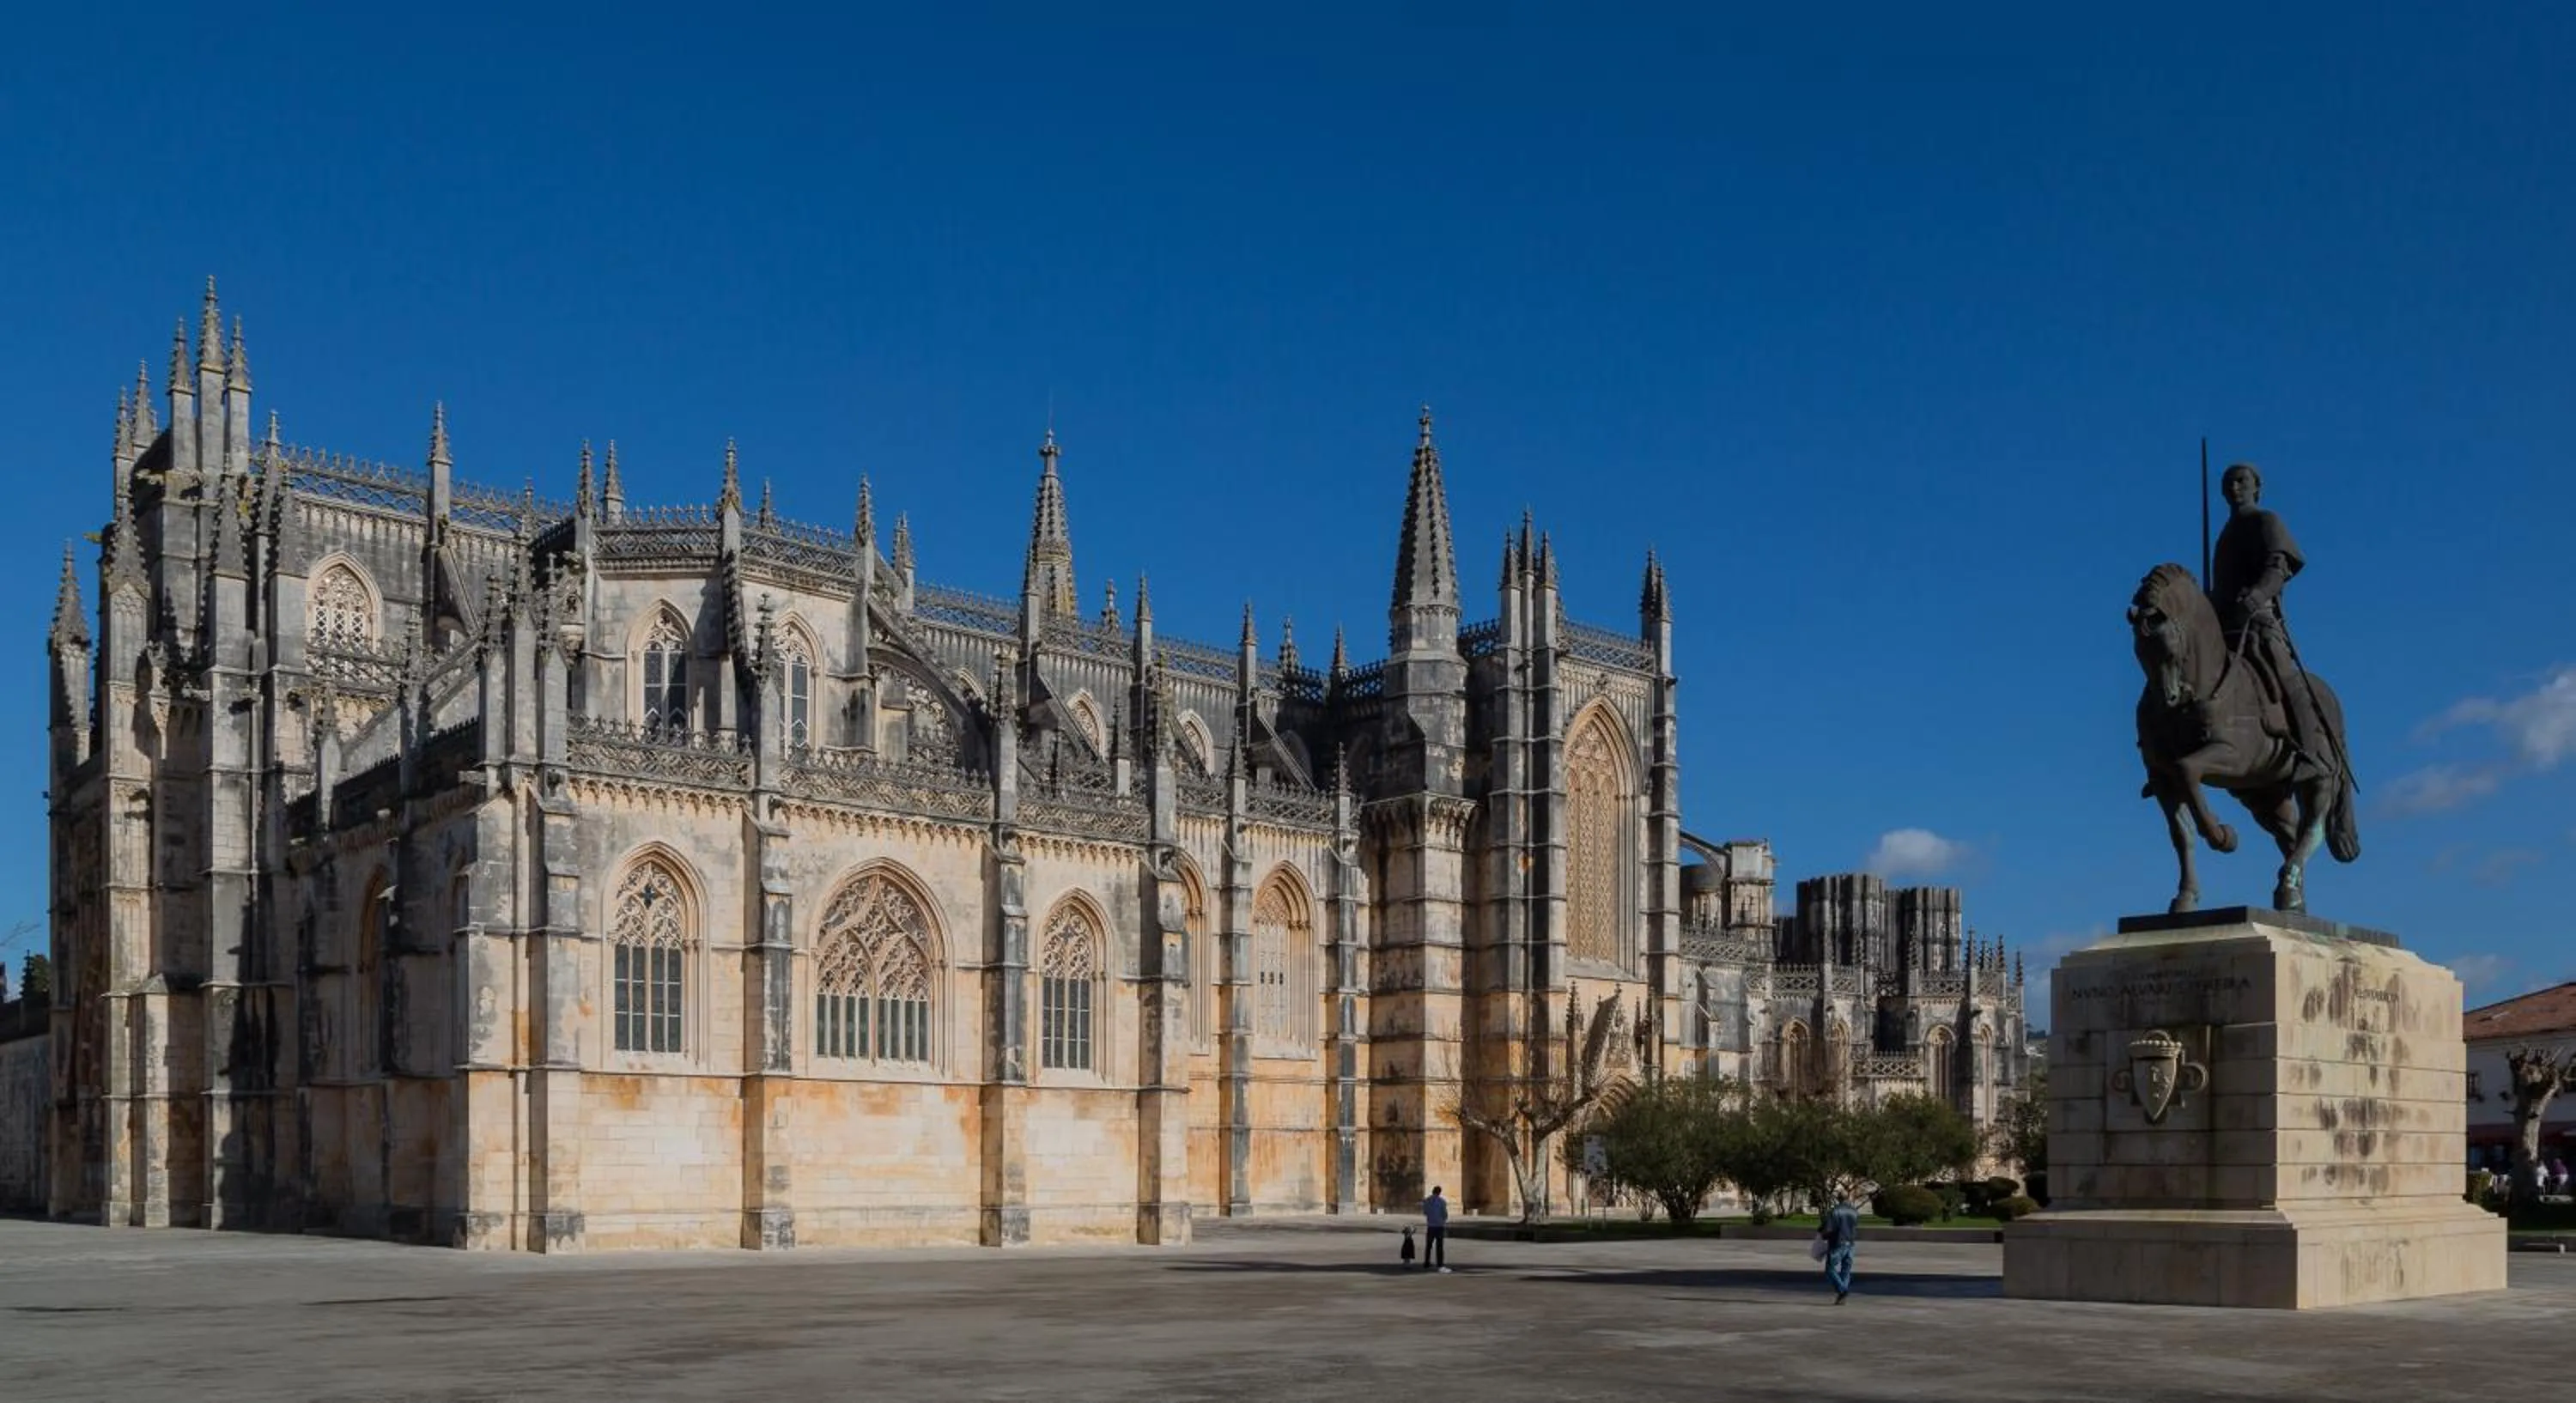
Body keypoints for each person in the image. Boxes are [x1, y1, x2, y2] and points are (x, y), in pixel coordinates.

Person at [2208, 463, 2328, 775]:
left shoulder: (2266, 521)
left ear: (2256, 487)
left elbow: (2279, 568)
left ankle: (2311, 754)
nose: (2234, 487)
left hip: (2258, 620)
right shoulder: (2223, 537)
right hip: (2224, 626)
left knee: (2283, 673)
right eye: (2228, 483)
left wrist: (2257, 597)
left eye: (2240, 481)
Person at [1819, 1193, 1861, 1303]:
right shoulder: (1854, 1211)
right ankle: (1842, 1295)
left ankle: (1842, 1291)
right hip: (1850, 1243)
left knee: (1830, 1269)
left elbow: (1829, 1228)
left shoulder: (1835, 1211)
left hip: (1838, 1243)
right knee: (1846, 1270)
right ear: (1848, 1198)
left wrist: (1823, 1235)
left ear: (1838, 1199)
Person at [1422, 1185, 1450, 1272]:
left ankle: (1427, 1262)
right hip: (1439, 1226)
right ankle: (1440, 1264)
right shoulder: (1442, 1201)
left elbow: (1425, 1212)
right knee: (1439, 1246)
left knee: (1429, 1246)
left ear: (1433, 1191)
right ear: (1439, 1192)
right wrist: (1442, 1220)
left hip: (1430, 1226)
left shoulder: (1427, 1201)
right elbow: (1445, 1214)